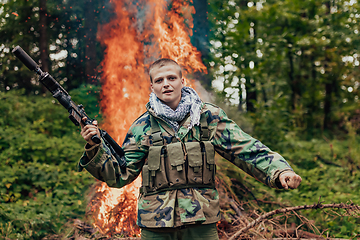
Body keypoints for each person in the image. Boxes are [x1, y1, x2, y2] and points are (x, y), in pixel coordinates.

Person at [78, 58, 302, 240]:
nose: (166, 83)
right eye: (159, 80)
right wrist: (94, 146)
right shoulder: (142, 126)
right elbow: (121, 174)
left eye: (171, 78)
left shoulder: (208, 117)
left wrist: (280, 170)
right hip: (156, 225)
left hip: (200, 222)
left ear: (182, 81)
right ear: (152, 86)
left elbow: (245, 148)